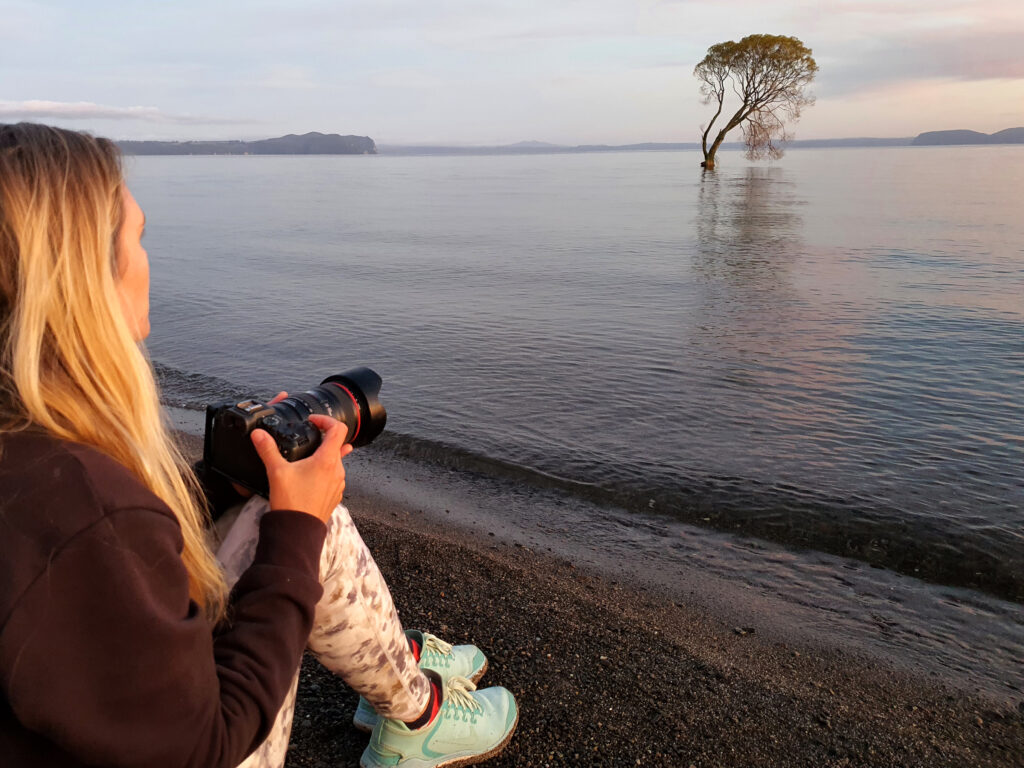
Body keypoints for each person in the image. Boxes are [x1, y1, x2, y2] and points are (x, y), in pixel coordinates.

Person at [0, 123, 517, 768]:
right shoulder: (81, 506)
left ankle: (396, 661)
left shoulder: (30, 449)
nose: (148, 260)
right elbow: (206, 746)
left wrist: (227, 477)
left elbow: (107, 559)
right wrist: (297, 529)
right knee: (305, 525)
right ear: (83, 280)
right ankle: (419, 715)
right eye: (138, 237)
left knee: (275, 500)